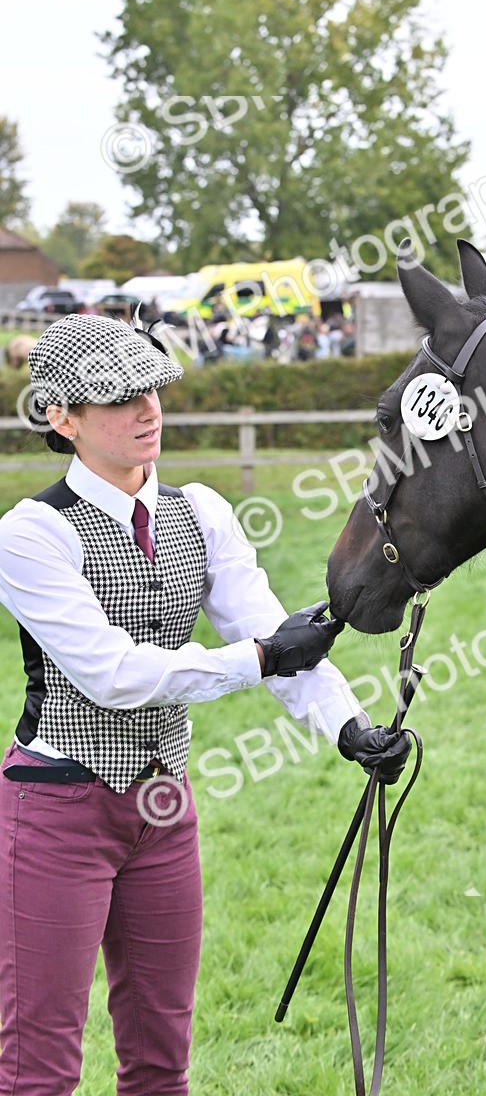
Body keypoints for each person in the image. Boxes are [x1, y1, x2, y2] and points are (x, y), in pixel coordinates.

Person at [0, 314, 410, 1096]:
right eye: (118, 395)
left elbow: (272, 630)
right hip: (55, 812)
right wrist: (258, 660)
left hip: (163, 808)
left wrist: (349, 726)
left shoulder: (202, 512)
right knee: (37, 1066)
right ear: (62, 417)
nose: (148, 407)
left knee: (162, 1060)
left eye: (151, 387)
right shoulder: (31, 534)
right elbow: (113, 674)